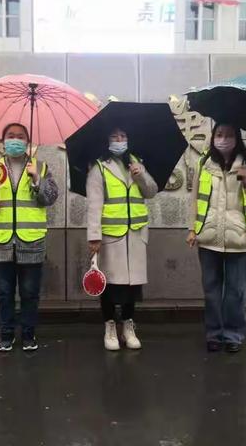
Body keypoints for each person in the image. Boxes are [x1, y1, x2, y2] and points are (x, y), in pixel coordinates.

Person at [0, 123, 58, 352]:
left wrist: (36, 180)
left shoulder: (40, 167)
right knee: (3, 292)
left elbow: (50, 197)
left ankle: (29, 334)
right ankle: (6, 333)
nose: (15, 140)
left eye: (20, 137)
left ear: (27, 142)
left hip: (31, 240)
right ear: (2, 141)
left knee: (30, 292)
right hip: (0, 240)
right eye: (11, 136)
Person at [186, 123, 246, 353]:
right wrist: (192, 229)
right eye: (219, 134)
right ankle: (214, 334)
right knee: (211, 290)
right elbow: (195, 199)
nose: (223, 139)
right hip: (209, 236)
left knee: (235, 291)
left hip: (239, 239)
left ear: (237, 138)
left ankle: (233, 335)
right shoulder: (204, 163)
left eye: (229, 135)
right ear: (213, 137)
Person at [86, 128, 158, 351]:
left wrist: (141, 175)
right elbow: (94, 205)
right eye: (114, 136)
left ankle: (128, 325)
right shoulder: (99, 167)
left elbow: (152, 191)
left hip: (135, 234)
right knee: (110, 285)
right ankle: (109, 326)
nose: (119, 141)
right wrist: (94, 237)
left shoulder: (137, 163)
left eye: (124, 136)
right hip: (110, 237)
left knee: (132, 286)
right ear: (106, 139)